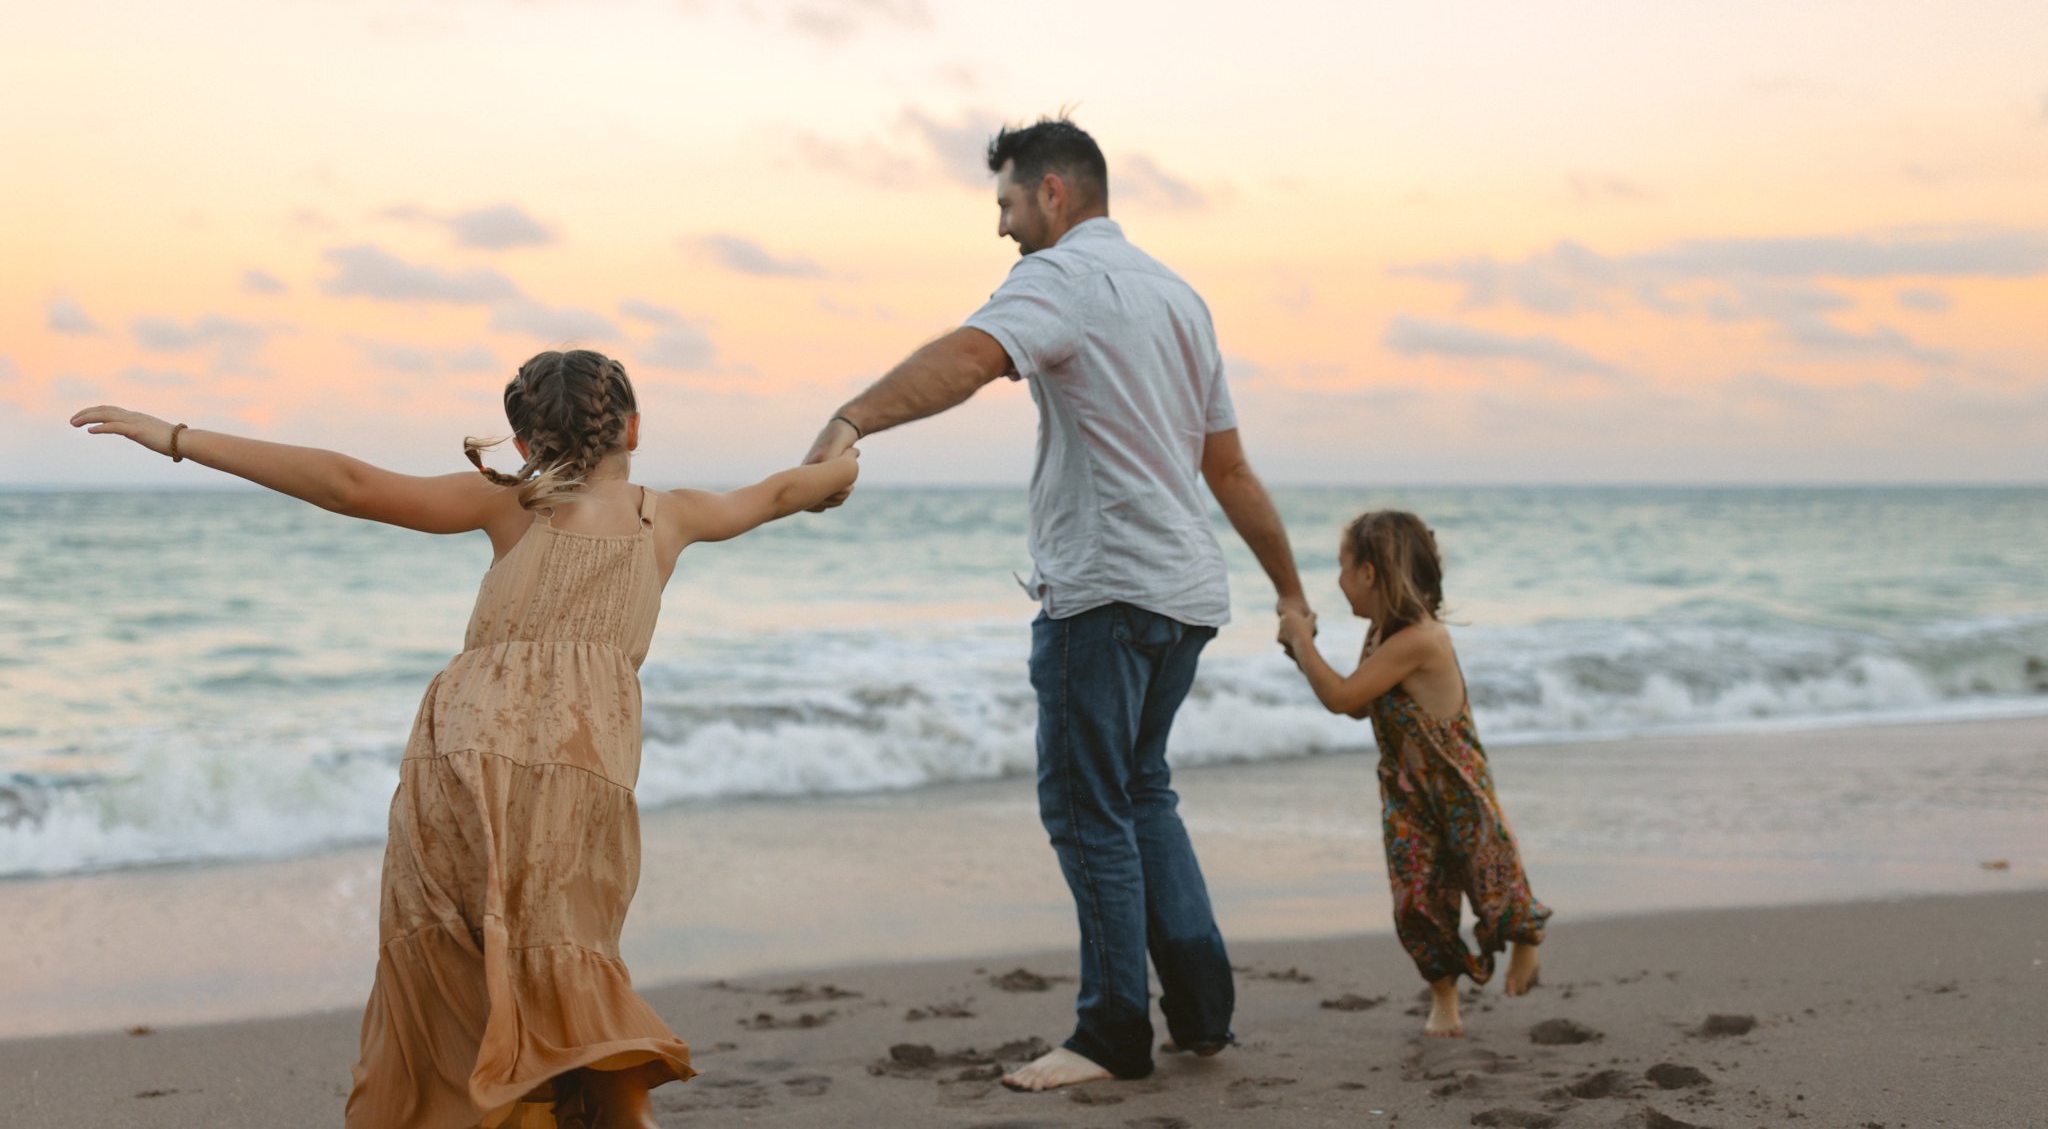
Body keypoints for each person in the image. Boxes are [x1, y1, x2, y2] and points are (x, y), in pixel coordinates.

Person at [72, 349, 859, 1129]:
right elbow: (790, 488)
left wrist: (177, 435)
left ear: (522, 445)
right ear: (634, 429)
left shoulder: (516, 505)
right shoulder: (673, 514)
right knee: (567, 950)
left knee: (458, 954)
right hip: (580, 765)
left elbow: (348, 485)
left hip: (457, 753)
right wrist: (841, 462)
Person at [800, 116, 1310, 1090]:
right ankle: (1201, 1017)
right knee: (1140, 792)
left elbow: (969, 354)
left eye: (1005, 203)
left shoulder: (1061, 280)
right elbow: (1229, 467)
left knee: (1085, 810)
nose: (999, 228)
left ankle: (1111, 1033)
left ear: (1053, 195)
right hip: (1185, 594)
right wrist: (1287, 590)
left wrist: (850, 417)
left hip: (1105, 593)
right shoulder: (1178, 295)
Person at [1275, 509, 1548, 1038]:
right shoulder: (1381, 632)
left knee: (1488, 871)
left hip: (1454, 783)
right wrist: (1299, 651)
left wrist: (1302, 640)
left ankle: (1526, 939)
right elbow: (1358, 705)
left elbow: (1340, 698)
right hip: (1405, 789)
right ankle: (1444, 1000)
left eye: (1343, 566)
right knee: (1418, 898)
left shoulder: (1420, 637)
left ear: (1370, 574)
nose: (1338, 580)